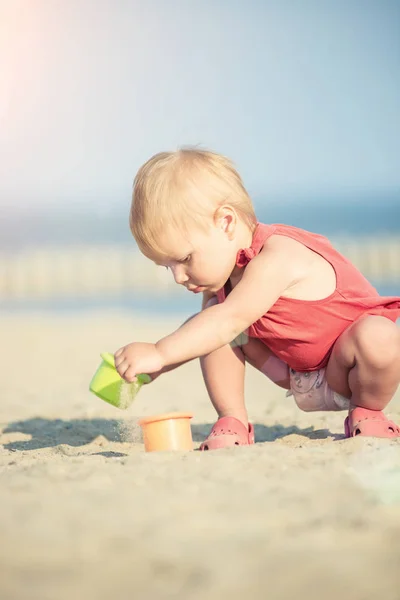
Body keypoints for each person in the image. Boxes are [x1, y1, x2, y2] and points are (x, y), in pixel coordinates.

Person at [114, 148, 400, 450]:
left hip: (346, 370)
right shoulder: (221, 282)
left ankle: (367, 411)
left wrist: (160, 352)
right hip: (291, 373)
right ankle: (232, 419)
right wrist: (158, 365)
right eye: (167, 266)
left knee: (378, 335)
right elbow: (211, 332)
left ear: (225, 222)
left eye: (184, 258)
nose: (178, 277)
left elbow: (229, 321)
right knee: (211, 321)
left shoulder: (278, 257)